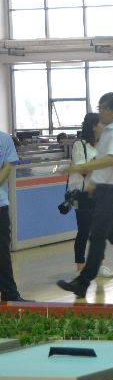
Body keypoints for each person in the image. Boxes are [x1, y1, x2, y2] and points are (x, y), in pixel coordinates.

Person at [57, 93, 113, 299]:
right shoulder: (107, 131)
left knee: (97, 236)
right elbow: (102, 160)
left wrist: (79, 167)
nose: (101, 112)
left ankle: (83, 282)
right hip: (105, 189)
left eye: (104, 108)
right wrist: (93, 183)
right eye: (100, 108)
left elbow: (110, 160)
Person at [69, 113, 113, 278]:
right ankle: (80, 266)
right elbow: (83, 169)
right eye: (102, 124)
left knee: (99, 231)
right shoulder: (79, 144)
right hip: (83, 193)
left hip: (99, 192)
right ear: (93, 126)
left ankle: (99, 264)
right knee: (84, 230)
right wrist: (99, 161)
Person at [0, 128, 27, 303]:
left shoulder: (4, 139)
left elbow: (8, 167)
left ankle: (9, 293)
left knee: (2, 252)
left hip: (0, 204)